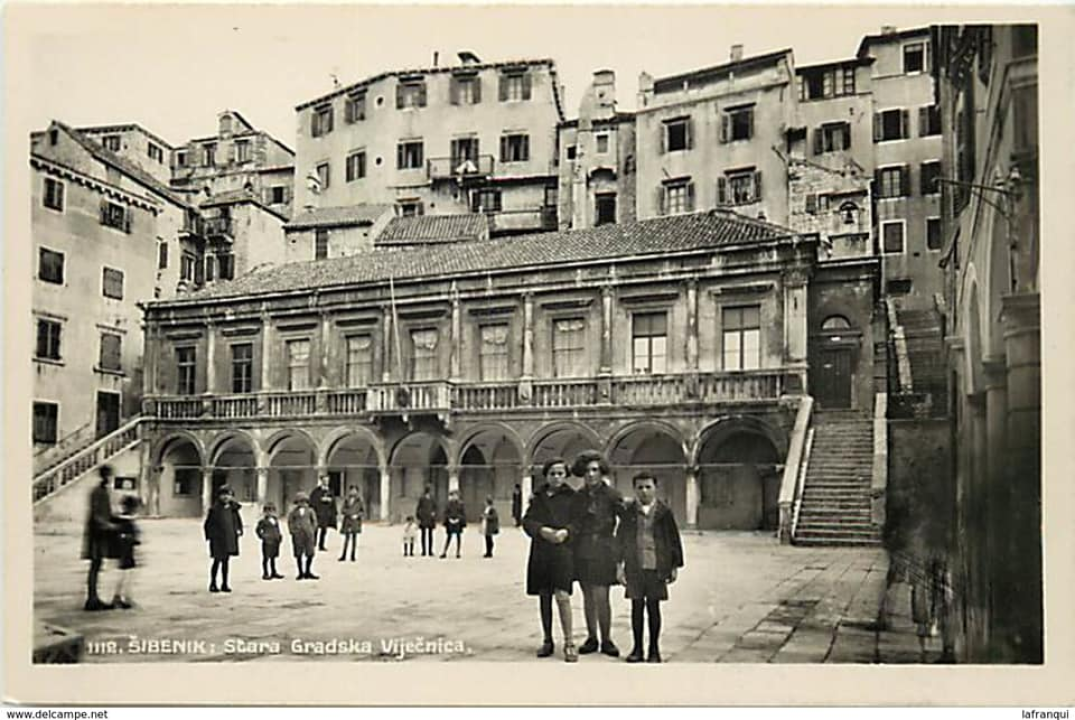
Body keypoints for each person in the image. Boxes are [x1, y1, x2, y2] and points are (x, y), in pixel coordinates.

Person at [615, 473, 684, 663]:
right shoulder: (629, 512)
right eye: (640, 487)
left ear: (655, 488)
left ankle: (654, 649)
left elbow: (673, 539)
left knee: (653, 608)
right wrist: (619, 565)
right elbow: (620, 539)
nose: (644, 491)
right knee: (636, 607)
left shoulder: (664, 512)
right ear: (634, 489)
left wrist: (674, 565)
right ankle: (637, 649)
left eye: (648, 487)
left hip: (656, 566)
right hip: (635, 566)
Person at [523, 458, 579, 662]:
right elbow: (527, 520)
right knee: (544, 596)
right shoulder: (538, 497)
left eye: (560, 473)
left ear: (566, 476)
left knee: (562, 595)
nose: (556, 477)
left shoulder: (573, 497)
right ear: (546, 475)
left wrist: (566, 532)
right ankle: (547, 640)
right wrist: (541, 530)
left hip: (563, 551)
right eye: (552, 473)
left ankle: (570, 641)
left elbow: (579, 522)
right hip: (541, 552)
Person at [571, 449, 625, 657]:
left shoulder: (612, 495)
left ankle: (606, 639)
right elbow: (574, 522)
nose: (590, 474)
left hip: (604, 550)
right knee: (587, 597)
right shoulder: (578, 497)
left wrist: (616, 544)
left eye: (594, 470)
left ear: (601, 471)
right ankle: (591, 637)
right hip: (582, 550)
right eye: (586, 471)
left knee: (602, 597)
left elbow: (625, 521)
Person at [81, 465, 118, 611]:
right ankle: (92, 598)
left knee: (97, 565)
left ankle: (94, 597)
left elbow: (106, 513)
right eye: (109, 475)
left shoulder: (103, 491)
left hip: (101, 532)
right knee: (95, 566)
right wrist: (110, 526)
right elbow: (97, 515)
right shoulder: (98, 492)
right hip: (97, 533)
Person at [203, 486, 243, 593]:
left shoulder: (233, 509)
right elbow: (208, 525)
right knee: (217, 561)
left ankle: (225, 583)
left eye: (228, 495)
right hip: (218, 540)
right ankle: (213, 583)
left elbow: (237, 521)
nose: (226, 497)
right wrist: (211, 537)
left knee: (226, 562)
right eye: (224, 495)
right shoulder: (215, 509)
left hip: (229, 538)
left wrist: (239, 530)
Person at [109, 494, 141, 610]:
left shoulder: (120, 519)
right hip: (126, 550)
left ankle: (120, 596)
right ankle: (122, 597)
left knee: (125, 574)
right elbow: (132, 536)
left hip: (124, 550)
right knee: (126, 574)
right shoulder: (126, 521)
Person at [287, 491, 319, 580]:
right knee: (298, 553)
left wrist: (312, 530)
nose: (302, 504)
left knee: (310, 553)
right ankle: (300, 572)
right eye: (300, 502)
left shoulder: (310, 511)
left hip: (309, 534)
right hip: (298, 535)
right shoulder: (293, 512)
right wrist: (293, 531)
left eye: (304, 501)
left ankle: (308, 571)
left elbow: (314, 521)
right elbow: (290, 522)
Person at [255, 503, 285, 580]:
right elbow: (258, 530)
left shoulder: (275, 520)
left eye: (272, 510)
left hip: (275, 540)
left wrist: (279, 536)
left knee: (273, 557)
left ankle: (273, 572)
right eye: (268, 510)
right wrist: (263, 536)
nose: (270, 512)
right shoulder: (263, 521)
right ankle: (265, 573)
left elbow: (277, 529)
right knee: (266, 557)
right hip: (267, 541)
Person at [309, 475, 338, 552]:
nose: (326, 482)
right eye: (325, 480)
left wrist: (330, 501)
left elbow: (333, 502)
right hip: (318, 513)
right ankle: (313, 544)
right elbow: (312, 501)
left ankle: (321, 545)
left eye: (327, 480)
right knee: (315, 529)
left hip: (326, 514)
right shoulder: (316, 491)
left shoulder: (330, 491)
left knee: (324, 530)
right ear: (321, 481)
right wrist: (320, 500)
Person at [338, 485, 365, 562]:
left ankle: (353, 556)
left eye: (354, 490)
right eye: (351, 490)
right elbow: (342, 510)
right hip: (347, 521)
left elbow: (362, 511)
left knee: (354, 539)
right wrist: (349, 513)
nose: (353, 492)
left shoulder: (360, 500)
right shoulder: (346, 500)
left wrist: (357, 515)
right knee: (346, 539)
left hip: (355, 522)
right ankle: (343, 555)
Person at [440, 489, 466, 559]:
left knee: (458, 537)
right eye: (453, 495)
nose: (454, 497)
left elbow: (462, 513)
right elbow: (446, 512)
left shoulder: (461, 504)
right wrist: (448, 519)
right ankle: (444, 552)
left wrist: (459, 519)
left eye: (456, 495)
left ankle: (458, 552)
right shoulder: (448, 504)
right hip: (450, 522)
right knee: (449, 537)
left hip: (458, 522)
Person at [416, 486, 437, 557]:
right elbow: (419, 508)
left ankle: (430, 550)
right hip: (424, 518)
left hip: (430, 518)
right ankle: (424, 550)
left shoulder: (433, 499)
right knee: (423, 535)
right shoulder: (422, 499)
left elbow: (435, 507)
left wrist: (434, 513)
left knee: (430, 535)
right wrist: (419, 517)